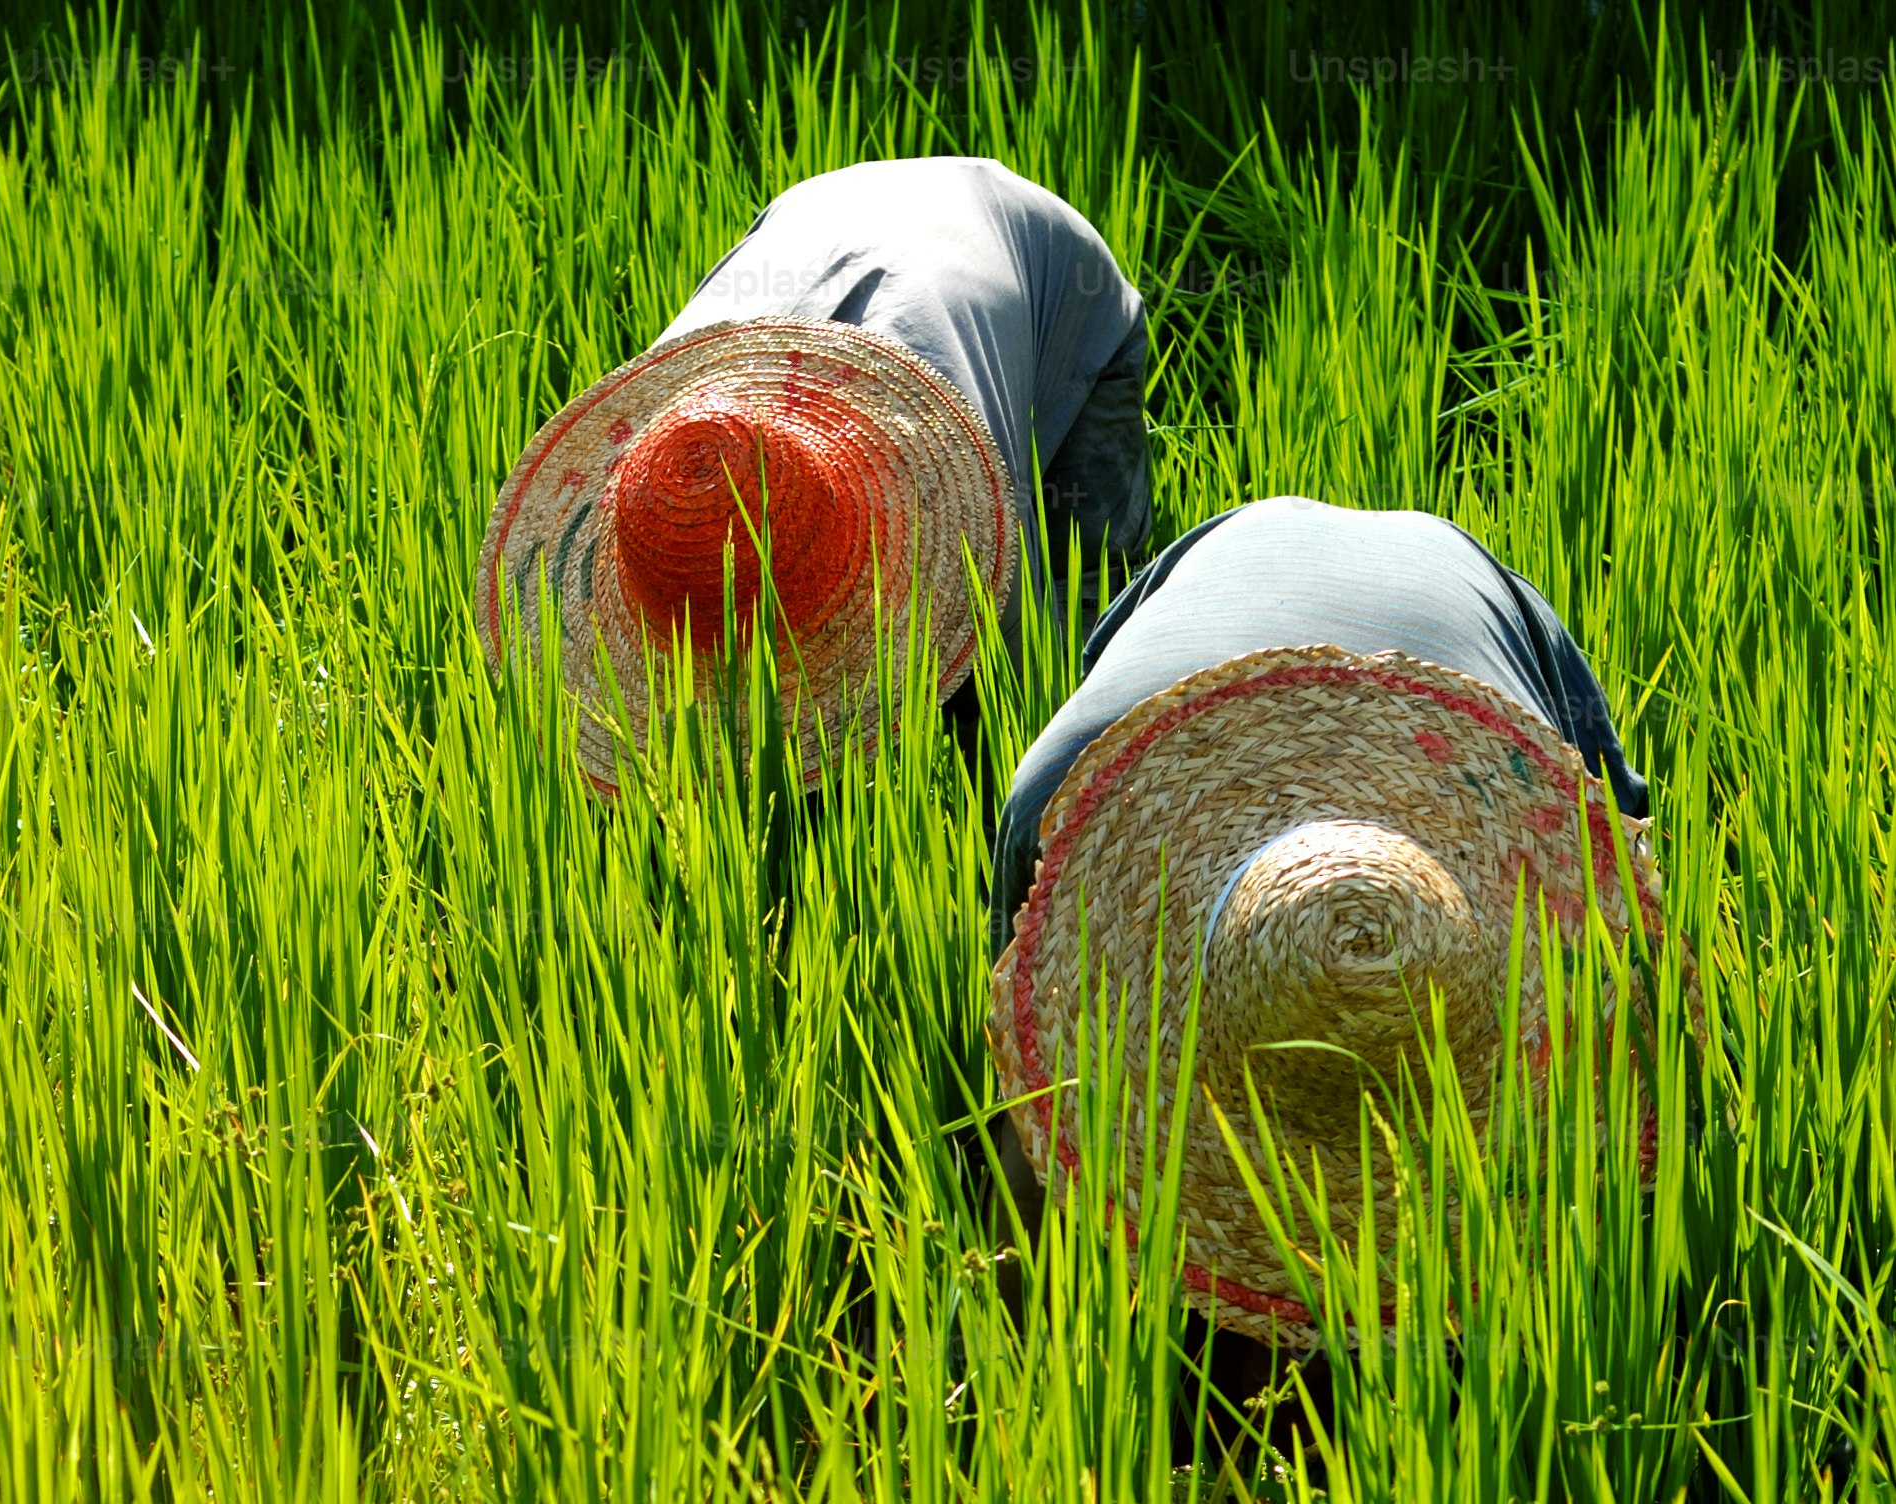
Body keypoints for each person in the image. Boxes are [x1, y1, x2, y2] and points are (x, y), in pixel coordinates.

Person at [982, 495, 1683, 1403]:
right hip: (1222, 630)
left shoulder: (1512, 755)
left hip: (1326, 562)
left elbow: (1616, 839)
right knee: (1050, 1131)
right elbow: (1029, 1091)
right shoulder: (1069, 799)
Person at [476, 155, 1149, 791]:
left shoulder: (948, 486)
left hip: (1031, 252)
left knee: (1079, 617)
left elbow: (1008, 686)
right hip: (811, 219)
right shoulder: (665, 445)